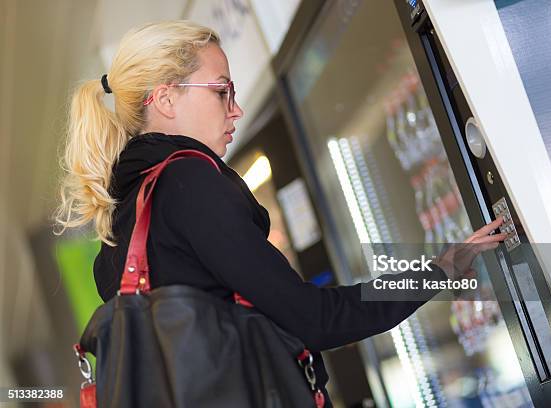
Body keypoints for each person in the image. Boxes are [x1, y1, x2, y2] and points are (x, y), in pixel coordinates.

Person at [54, 20, 506, 407]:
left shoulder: (119, 226)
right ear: (166, 99)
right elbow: (312, 318)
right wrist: (440, 270)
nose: (237, 110)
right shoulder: (188, 184)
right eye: (221, 91)